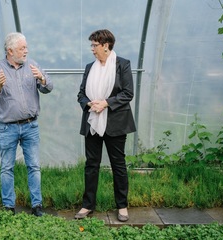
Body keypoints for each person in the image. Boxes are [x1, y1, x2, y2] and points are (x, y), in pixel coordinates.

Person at [0, 32, 53, 217]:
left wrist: (42, 79)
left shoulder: (33, 65)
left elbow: (49, 87)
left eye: (26, 47)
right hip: (7, 127)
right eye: (22, 48)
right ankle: (8, 207)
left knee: (34, 166)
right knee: (7, 167)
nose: (26, 51)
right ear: (10, 50)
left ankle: (37, 205)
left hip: (30, 126)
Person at [75, 29, 136, 222]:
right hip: (92, 121)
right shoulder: (89, 67)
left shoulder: (122, 65)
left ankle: (122, 206)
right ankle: (87, 205)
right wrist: (89, 103)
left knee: (118, 165)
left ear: (106, 46)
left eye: (94, 45)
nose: (92, 49)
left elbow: (128, 93)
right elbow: (81, 95)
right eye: (92, 45)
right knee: (91, 165)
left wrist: (106, 103)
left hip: (116, 123)